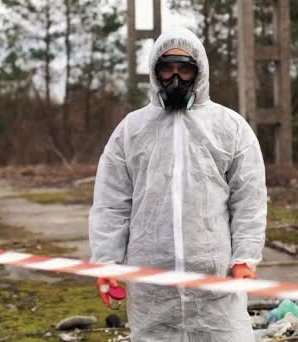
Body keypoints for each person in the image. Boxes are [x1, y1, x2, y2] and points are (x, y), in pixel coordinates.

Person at [89, 27, 267, 342]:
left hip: (215, 279)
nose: (175, 78)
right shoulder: (131, 130)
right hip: (151, 283)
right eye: (166, 68)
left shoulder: (230, 127)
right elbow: (111, 203)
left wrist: (244, 257)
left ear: (199, 73)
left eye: (184, 69)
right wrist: (107, 262)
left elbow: (249, 198)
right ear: (155, 73)